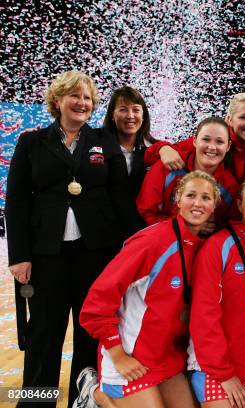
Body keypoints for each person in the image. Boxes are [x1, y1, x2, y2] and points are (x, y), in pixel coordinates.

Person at [5, 70, 139, 407]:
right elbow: (17, 201)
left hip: (95, 255)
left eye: (88, 98)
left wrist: (138, 248)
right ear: (58, 100)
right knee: (42, 337)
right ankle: (35, 403)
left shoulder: (104, 140)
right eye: (75, 96)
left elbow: (120, 197)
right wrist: (19, 256)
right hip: (46, 255)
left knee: (88, 335)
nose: (82, 103)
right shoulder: (31, 141)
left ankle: (84, 402)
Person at [77, 171, 218, 408]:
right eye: (191, 195)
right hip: (129, 358)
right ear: (177, 200)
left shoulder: (201, 248)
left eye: (206, 198)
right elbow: (96, 304)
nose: (198, 203)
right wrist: (118, 355)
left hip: (166, 359)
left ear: (214, 206)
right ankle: (96, 395)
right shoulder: (151, 242)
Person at [188, 176, 245, 408]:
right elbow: (203, 315)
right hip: (217, 370)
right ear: (239, 205)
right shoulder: (217, 246)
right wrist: (224, 373)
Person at [136, 116, 239, 234]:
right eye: (206, 139)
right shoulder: (167, 166)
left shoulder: (230, 188)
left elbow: (229, 229)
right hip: (158, 239)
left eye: (219, 142)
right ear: (194, 141)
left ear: (228, 146)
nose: (212, 147)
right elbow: (146, 212)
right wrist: (186, 226)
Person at [103, 85, 159, 201]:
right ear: (112, 115)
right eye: (123, 109)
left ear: (143, 116)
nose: (130, 116)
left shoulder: (156, 150)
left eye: (136, 110)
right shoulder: (97, 145)